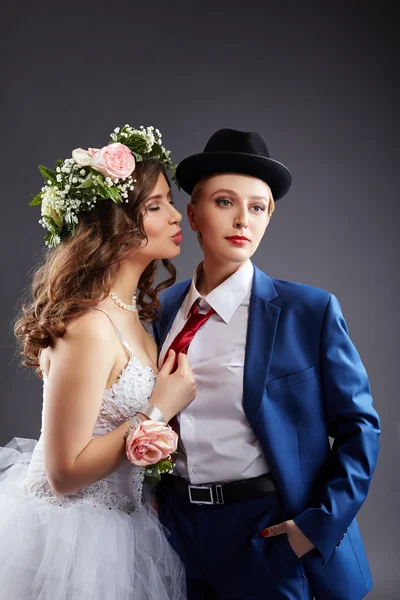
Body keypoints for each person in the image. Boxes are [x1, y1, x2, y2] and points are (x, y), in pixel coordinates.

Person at [153, 128, 380, 600]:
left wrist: (314, 526)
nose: (243, 220)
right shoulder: (161, 310)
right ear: (192, 215)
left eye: (258, 207)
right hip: (175, 529)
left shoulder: (308, 312)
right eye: (224, 202)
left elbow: (361, 427)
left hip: (265, 529)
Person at [0, 124, 194, 600]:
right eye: (155, 206)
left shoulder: (138, 315)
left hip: (129, 527)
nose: (176, 216)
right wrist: (155, 413)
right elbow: (63, 471)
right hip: (75, 538)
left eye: (169, 200)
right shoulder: (88, 325)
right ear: (114, 224)